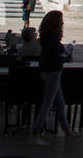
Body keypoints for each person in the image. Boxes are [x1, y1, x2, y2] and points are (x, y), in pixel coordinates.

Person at [31, 10, 76, 145]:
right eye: (60, 21)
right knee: (47, 104)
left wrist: (67, 50)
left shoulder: (47, 36)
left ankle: (68, 132)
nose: (62, 23)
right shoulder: (52, 38)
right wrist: (67, 58)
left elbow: (59, 52)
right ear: (55, 22)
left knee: (60, 103)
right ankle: (34, 135)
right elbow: (57, 58)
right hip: (53, 73)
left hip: (47, 71)